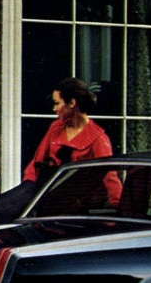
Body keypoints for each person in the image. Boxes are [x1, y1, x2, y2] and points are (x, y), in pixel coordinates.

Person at [24, 77, 121, 207]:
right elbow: (36, 162)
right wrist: (27, 189)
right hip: (47, 198)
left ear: (72, 103)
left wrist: (118, 208)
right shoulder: (56, 128)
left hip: (76, 206)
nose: (54, 109)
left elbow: (109, 177)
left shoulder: (98, 139)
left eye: (57, 103)